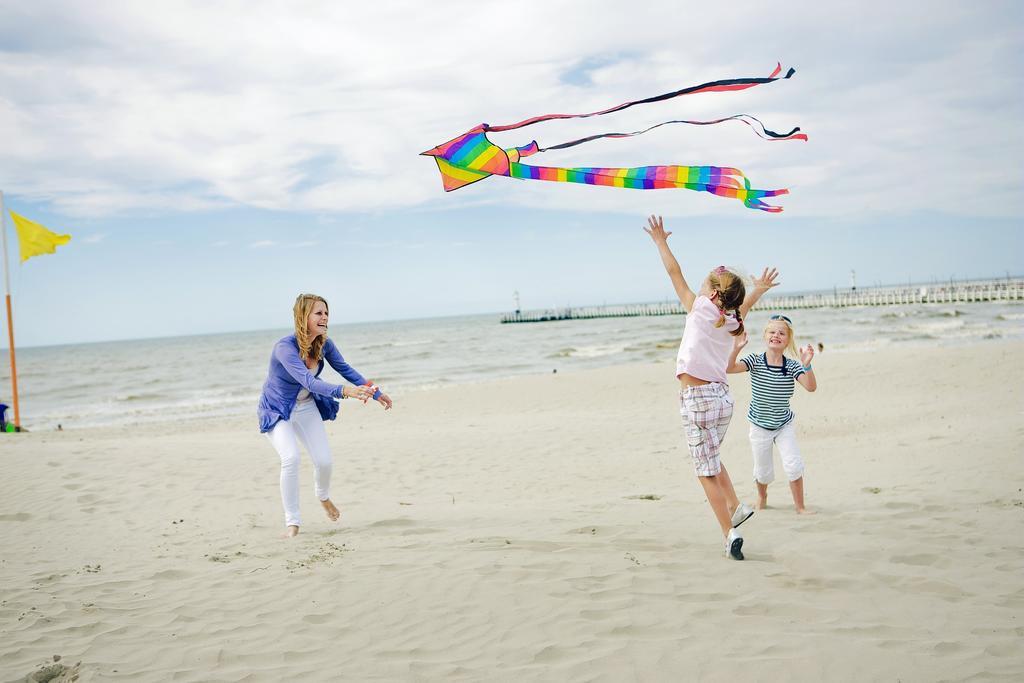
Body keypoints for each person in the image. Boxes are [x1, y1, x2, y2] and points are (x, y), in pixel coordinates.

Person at [644, 215, 778, 560]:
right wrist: (759, 289)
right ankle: (735, 506)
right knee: (712, 458)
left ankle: (728, 532)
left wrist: (661, 241)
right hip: (722, 400)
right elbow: (744, 305)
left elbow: (675, 275)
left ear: (713, 293)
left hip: (698, 399)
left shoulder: (701, 309)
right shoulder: (733, 320)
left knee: (704, 470)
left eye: (707, 285)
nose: (701, 289)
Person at [258, 293, 392, 537]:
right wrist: (346, 392)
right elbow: (308, 380)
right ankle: (293, 524)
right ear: (303, 317)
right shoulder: (284, 348)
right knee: (291, 459)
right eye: (318, 313)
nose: (324, 317)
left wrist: (375, 392)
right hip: (278, 409)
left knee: (324, 462)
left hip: (307, 407)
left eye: (326, 313)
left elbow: (345, 369)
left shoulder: (324, 344)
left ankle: (323, 497)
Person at [727, 315, 817, 513]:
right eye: (772, 331)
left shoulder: (792, 366)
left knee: (793, 465)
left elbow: (811, 387)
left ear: (788, 340)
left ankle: (800, 507)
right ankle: (762, 496)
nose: (776, 335)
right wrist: (736, 348)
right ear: (765, 336)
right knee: (763, 471)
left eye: (782, 333)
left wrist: (807, 364)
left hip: (784, 425)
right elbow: (729, 368)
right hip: (759, 425)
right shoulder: (755, 361)